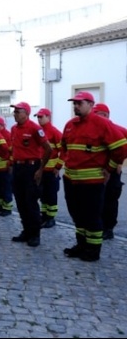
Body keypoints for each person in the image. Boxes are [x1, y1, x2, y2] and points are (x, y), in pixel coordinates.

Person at [61, 92, 127, 262]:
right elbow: (64, 148)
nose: (75, 106)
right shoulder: (70, 125)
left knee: (92, 216)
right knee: (77, 214)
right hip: (71, 180)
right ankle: (81, 245)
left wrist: (110, 168)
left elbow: (121, 148)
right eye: (74, 103)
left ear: (90, 104)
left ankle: (93, 250)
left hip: (91, 182)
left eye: (79, 103)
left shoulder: (101, 124)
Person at [8, 102, 52, 247]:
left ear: (26, 113)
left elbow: (48, 149)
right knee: (20, 202)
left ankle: (35, 234)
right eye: (14, 111)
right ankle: (26, 231)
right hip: (18, 167)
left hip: (31, 168)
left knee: (31, 202)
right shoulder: (14, 129)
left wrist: (40, 169)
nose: (15, 114)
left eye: (17, 111)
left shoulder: (35, 128)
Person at [91, 103, 127, 240]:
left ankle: (108, 228)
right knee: (95, 200)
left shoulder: (119, 130)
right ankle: (97, 226)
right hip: (95, 171)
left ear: (105, 115)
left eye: (96, 114)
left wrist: (119, 162)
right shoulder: (93, 130)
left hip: (111, 173)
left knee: (110, 201)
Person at [33, 107, 63, 229]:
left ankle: (51, 218)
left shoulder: (54, 132)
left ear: (48, 117)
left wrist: (58, 166)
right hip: (41, 170)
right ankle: (44, 215)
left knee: (51, 195)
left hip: (51, 171)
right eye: (38, 117)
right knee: (42, 194)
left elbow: (64, 150)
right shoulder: (38, 131)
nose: (39, 119)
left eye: (41, 117)